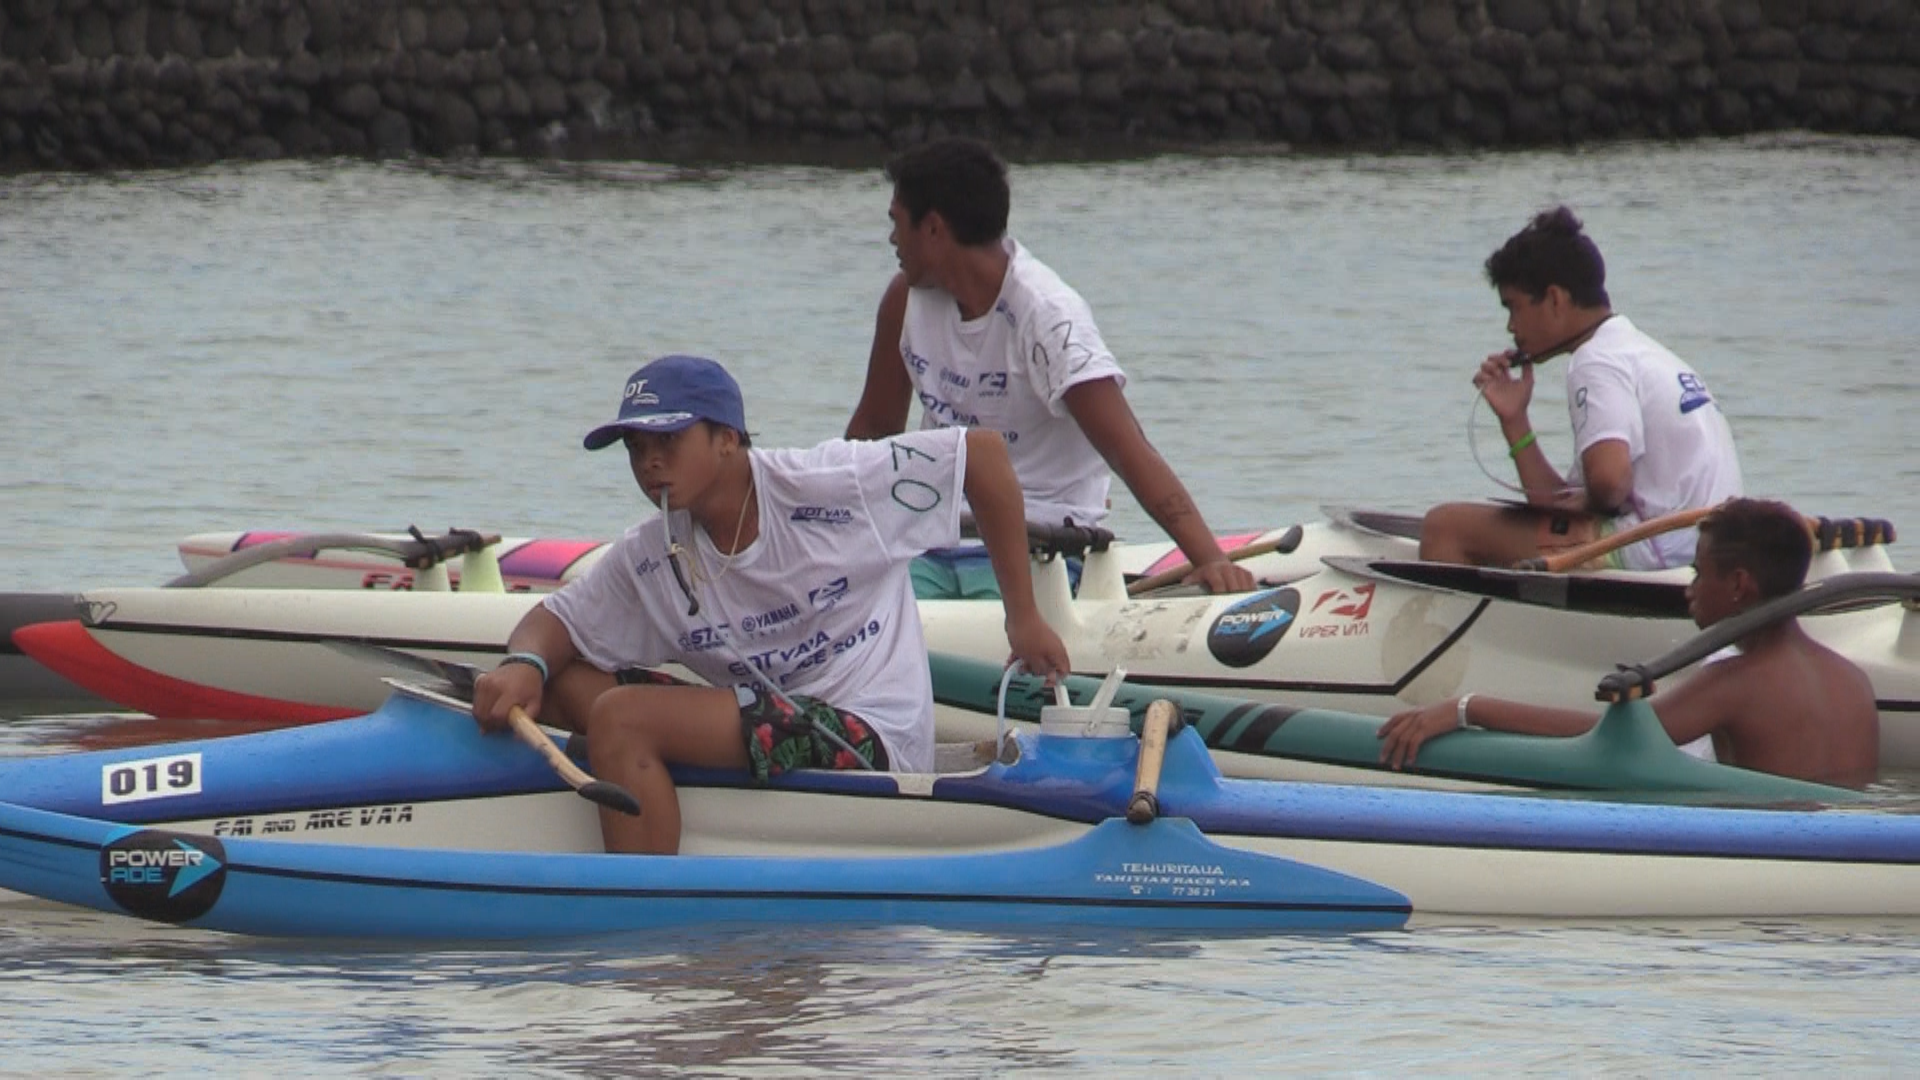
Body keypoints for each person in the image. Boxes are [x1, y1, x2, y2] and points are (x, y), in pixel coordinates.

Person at [470, 354, 1072, 855]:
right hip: (771, 717)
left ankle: (644, 903)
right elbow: (553, 621)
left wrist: (1023, 619)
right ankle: (665, 811)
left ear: (727, 439)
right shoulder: (651, 554)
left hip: (869, 732)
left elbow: (982, 457)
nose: (649, 461)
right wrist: (526, 664)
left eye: (668, 440)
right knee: (565, 683)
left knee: (621, 717)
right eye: (635, 446)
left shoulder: (830, 484)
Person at [843, 136, 1256, 599]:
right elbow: (872, 433)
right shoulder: (903, 301)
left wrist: (1210, 560)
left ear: (934, 229)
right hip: (931, 543)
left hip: (1038, 547)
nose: (892, 239)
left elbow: (1128, 449)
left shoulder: (1047, 316)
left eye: (897, 223)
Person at [1379, 498, 1879, 787]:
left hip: (1771, 870)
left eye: (1698, 573)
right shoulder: (1853, 680)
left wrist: (1467, 708)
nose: (1689, 589)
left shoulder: (1736, 683)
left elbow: (1608, 738)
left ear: (1738, 585)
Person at [1418, 206, 1743, 571]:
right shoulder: (1642, 351)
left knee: (1444, 528)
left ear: (1555, 299)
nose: (1511, 327)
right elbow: (1567, 501)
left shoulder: (1595, 360)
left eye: (1514, 307)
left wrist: (1590, 499)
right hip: (1705, 543)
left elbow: (1610, 484)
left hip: (1657, 547)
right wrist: (1515, 422)